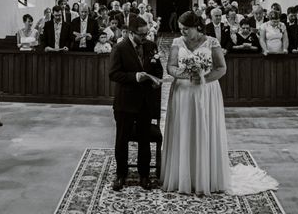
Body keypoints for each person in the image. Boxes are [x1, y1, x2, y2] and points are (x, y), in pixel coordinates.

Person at [161, 11, 277, 195]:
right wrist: (186, 74)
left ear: (196, 27)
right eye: (181, 29)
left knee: (205, 128)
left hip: (206, 92)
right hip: (182, 92)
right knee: (184, 129)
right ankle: (182, 175)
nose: (182, 32)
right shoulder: (177, 43)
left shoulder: (211, 42)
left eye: (185, 29)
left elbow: (221, 68)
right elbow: (170, 67)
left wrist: (203, 78)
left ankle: (206, 175)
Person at [109, 16, 163, 191]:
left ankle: (144, 175)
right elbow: (114, 74)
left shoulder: (150, 46)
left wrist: (156, 79)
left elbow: (158, 68)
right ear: (131, 33)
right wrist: (135, 77)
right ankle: (121, 174)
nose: (145, 37)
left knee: (144, 140)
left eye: (147, 33)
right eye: (141, 34)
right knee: (122, 139)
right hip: (125, 101)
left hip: (145, 102)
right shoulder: (119, 48)